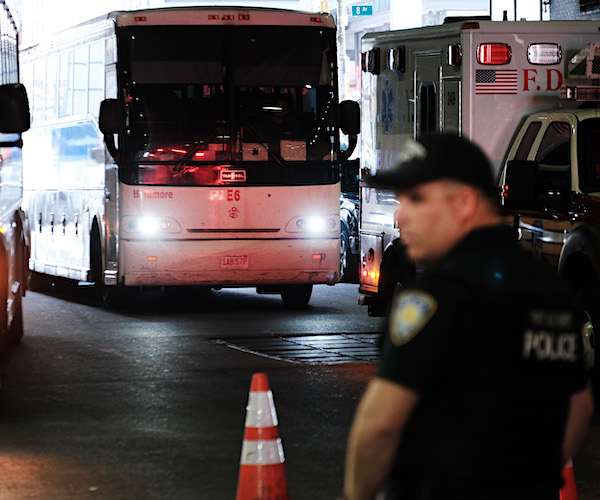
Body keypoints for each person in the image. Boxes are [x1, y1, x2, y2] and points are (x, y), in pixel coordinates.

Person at [343, 134, 594, 500]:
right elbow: (579, 408)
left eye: (416, 198)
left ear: (463, 203)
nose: (401, 214)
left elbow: (380, 424)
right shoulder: (553, 293)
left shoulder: (436, 296)